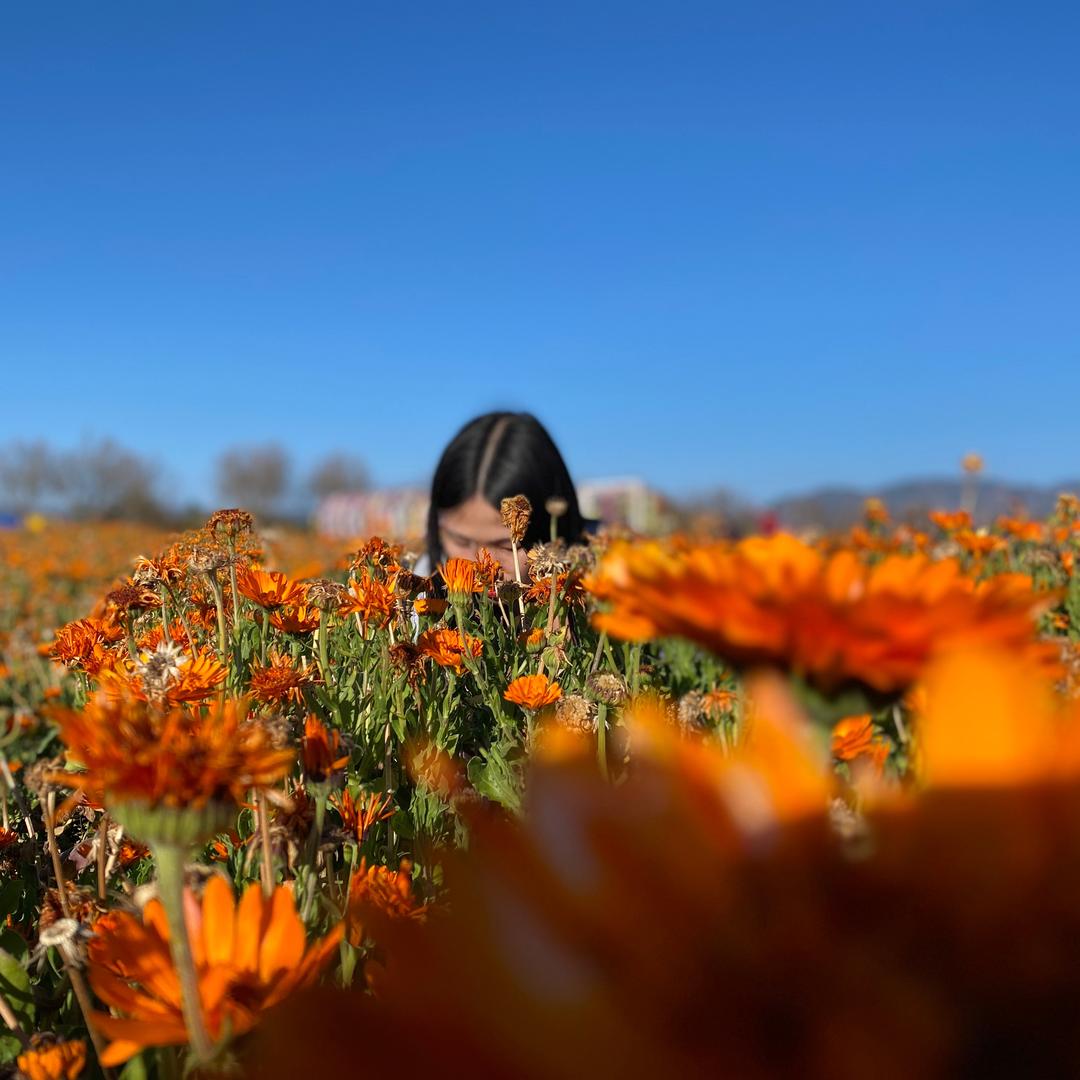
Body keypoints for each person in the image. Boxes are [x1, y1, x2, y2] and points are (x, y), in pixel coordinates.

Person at [418, 412, 588, 581]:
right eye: (461, 542)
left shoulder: (605, 579)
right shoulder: (418, 589)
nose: (482, 569)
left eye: (508, 547)